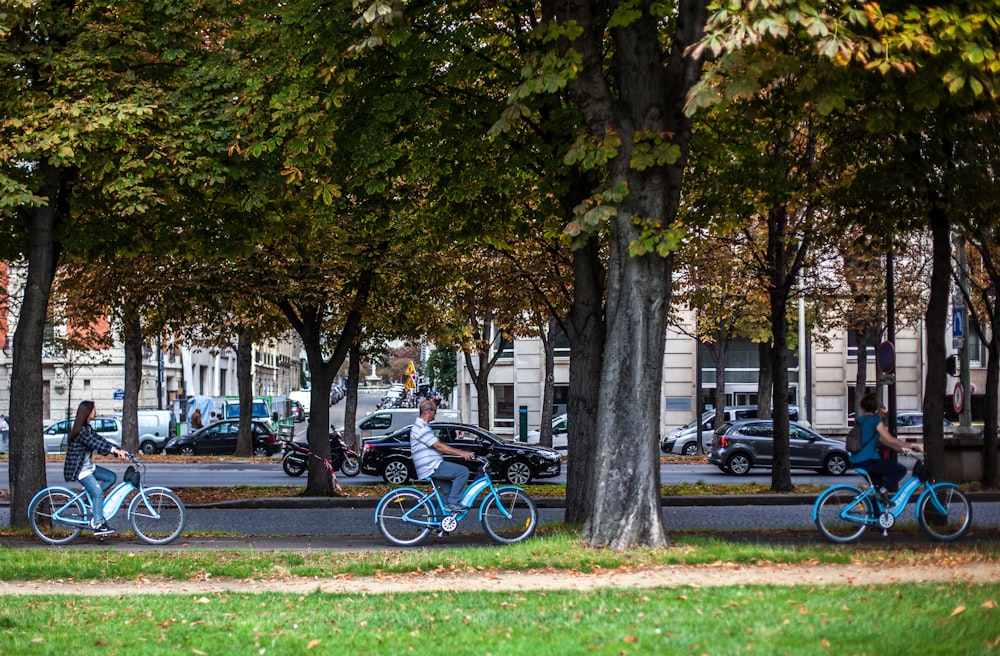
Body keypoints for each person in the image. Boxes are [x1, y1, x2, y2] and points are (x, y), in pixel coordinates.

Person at [63, 401, 129, 536]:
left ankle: (90, 500)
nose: (95, 412)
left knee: (111, 477)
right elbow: (96, 444)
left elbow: (100, 439)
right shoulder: (81, 432)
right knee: (98, 493)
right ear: (87, 412)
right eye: (94, 409)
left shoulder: (87, 428)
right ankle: (99, 524)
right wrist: (113, 450)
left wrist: (117, 450)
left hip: (88, 467)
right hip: (81, 470)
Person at [850, 393, 922, 500]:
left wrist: (898, 449)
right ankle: (883, 491)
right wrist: (910, 446)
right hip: (869, 461)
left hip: (857, 460)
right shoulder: (874, 420)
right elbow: (889, 439)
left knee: (877, 490)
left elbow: (883, 441)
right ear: (876, 407)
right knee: (900, 470)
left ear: (863, 407)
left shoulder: (861, 421)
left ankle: (878, 513)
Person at [410, 398, 475, 514]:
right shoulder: (421, 428)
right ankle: (453, 504)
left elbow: (436, 443)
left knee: (449, 492)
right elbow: (439, 446)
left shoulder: (422, 426)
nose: (436, 414)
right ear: (429, 411)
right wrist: (462, 453)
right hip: (432, 466)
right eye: (435, 411)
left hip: (430, 466)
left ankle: (438, 524)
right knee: (463, 472)